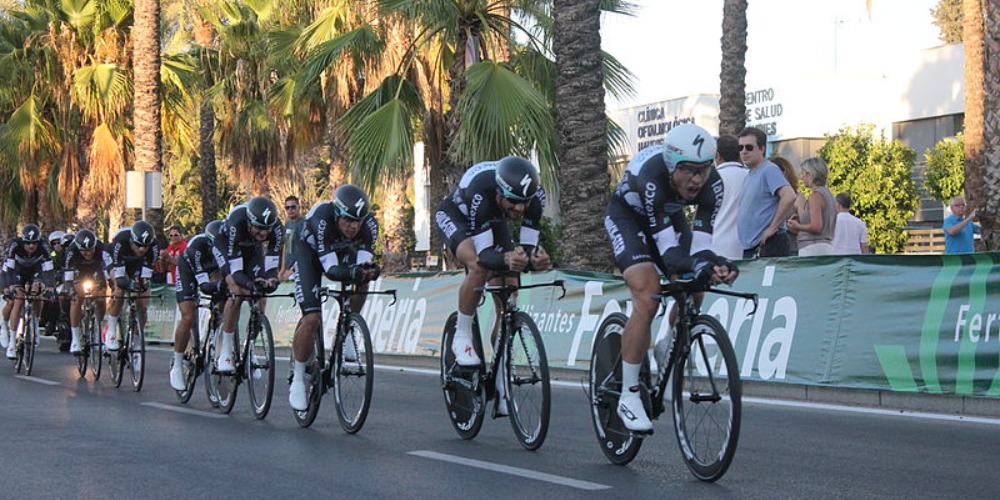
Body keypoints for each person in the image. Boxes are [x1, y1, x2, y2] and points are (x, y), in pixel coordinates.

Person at [604, 123, 738, 432]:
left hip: (667, 215)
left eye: (703, 170)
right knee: (648, 294)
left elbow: (701, 249)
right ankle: (629, 394)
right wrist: (702, 263)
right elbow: (669, 256)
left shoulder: (713, 185)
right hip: (627, 218)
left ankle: (668, 343)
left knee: (697, 284)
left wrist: (718, 265)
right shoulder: (653, 178)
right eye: (689, 170)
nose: (697, 179)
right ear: (671, 166)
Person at [434, 156, 553, 368]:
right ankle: (462, 337)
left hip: (494, 219)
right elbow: (485, 256)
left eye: (524, 202)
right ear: (499, 192)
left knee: (510, 284)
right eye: (513, 201)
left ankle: (501, 357)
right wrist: (507, 258)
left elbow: (528, 248)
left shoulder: (535, 197)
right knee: (478, 267)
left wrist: (535, 259)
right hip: (458, 216)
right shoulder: (481, 191)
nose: (519, 208)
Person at [288, 185, 380, 410]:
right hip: (308, 254)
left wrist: (368, 271)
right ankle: (298, 377)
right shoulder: (322, 219)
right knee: (312, 319)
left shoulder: (369, 225)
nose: (354, 226)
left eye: (358, 221)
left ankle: (348, 331)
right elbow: (331, 270)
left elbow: (363, 264)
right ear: (337, 214)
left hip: (339, 250)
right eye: (348, 220)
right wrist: (352, 272)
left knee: (363, 277)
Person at [213, 196, 284, 372]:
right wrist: (249, 285)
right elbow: (236, 272)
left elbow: (272, 265)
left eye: (267, 229)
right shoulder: (237, 223)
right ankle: (226, 350)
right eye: (259, 228)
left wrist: (271, 280)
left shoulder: (277, 229)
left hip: (253, 250)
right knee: (237, 291)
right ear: (250, 222)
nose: (264, 233)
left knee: (261, 297)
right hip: (225, 247)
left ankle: (249, 348)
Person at [169, 221, 226, 391]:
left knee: (226, 298)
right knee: (189, 315)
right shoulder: (197, 248)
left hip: (212, 268)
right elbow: (205, 286)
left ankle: (217, 331)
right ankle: (177, 364)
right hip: (188, 269)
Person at [736, 127, 796, 258]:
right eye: (740, 148)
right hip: (753, 247)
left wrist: (773, 227)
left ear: (762, 149)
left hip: (769, 245)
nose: (744, 151)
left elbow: (789, 196)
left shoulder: (769, 170)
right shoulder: (750, 175)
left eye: (749, 147)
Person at [103, 220, 160, 350]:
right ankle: (111, 331)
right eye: (138, 245)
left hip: (137, 264)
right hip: (116, 260)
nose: (142, 249)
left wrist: (142, 285)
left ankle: (136, 339)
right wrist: (126, 283)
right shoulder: (120, 241)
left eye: (145, 246)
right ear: (131, 241)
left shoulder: (154, 247)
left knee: (143, 304)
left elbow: (145, 278)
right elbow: (120, 279)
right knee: (120, 289)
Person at [1, 225, 54, 359]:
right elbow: (9, 270)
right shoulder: (14, 245)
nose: (31, 246)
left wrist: (50, 288)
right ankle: (9, 336)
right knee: (15, 301)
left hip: (34, 271)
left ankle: (34, 323)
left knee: (38, 292)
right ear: (23, 241)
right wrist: (10, 288)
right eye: (28, 243)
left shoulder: (43, 247)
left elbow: (49, 270)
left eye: (34, 243)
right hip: (15, 271)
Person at [64, 229, 111, 353]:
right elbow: (68, 276)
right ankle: (75, 338)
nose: (88, 253)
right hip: (78, 271)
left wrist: (109, 283)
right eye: (84, 251)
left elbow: (108, 269)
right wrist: (70, 289)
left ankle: (98, 328)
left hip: (96, 270)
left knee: (101, 297)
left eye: (91, 250)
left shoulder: (102, 248)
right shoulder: (71, 251)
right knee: (76, 299)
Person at [787, 157, 837, 256]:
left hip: (813, 248)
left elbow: (816, 226)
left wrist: (798, 226)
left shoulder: (815, 196)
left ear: (810, 174)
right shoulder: (828, 195)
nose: (801, 177)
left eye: (803, 173)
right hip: (825, 246)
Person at [710, 135, 747, 260]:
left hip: (715, 244)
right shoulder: (750, 176)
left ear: (718, 156)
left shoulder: (711, 178)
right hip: (744, 246)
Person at [771, 156, 800, 256]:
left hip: (791, 247)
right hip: (771, 247)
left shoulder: (798, 197)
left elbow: (804, 225)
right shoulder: (769, 199)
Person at [279, 195, 305, 281]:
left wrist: (293, 270)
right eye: (287, 208)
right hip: (288, 270)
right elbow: (287, 247)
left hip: (300, 270)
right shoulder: (288, 224)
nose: (290, 210)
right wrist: (282, 270)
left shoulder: (304, 224)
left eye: (293, 207)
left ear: (298, 207)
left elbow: (305, 251)